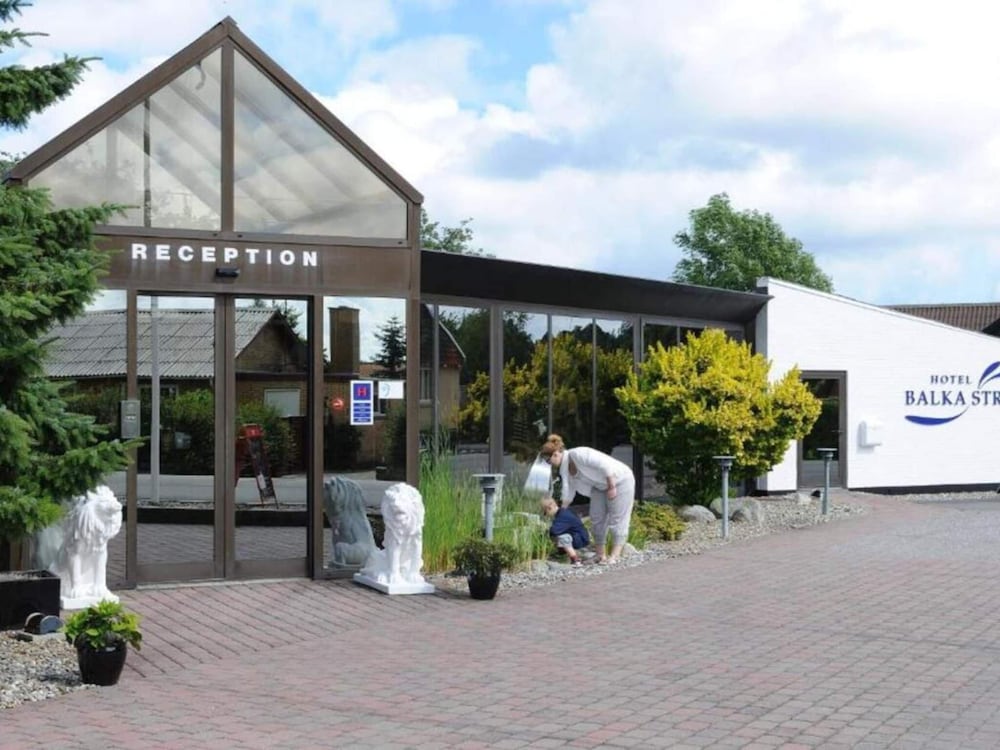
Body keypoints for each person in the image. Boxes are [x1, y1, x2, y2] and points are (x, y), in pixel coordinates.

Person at [539, 434, 635, 565]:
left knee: (618, 518)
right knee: (596, 518)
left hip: (619, 480)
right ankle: (600, 555)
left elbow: (604, 465)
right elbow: (569, 492)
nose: (549, 464)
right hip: (598, 486)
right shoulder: (564, 470)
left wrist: (612, 486)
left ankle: (615, 555)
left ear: (555, 454)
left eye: (548, 461)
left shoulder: (579, 454)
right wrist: (562, 511)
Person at [540, 496, 590, 565]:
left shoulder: (562, 516)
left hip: (580, 539)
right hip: (578, 536)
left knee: (562, 537)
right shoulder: (562, 513)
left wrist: (544, 534)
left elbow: (554, 531)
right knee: (559, 534)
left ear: (549, 508)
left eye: (545, 512)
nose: (546, 515)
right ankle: (562, 553)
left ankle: (575, 559)